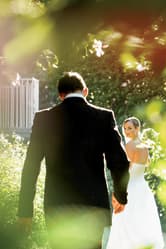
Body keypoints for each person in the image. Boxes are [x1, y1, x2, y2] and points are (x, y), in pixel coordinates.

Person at [17, 72, 130, 249]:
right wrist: (120, 195)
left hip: (57, 205)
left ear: (61, 95)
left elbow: (31, 167)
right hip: (93, 206)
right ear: (85, 91)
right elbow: (119, 161)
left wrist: (25, 210)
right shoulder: (103, 117)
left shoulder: (44, 119)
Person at [105, 116, 164, 249]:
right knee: (142, 219)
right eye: (125, 129)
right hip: (142, 187)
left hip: (130, 187)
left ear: (138, 129)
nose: (126, 131)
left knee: (126, 219)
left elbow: (124, 170)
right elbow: (147, 164)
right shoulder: (144, 146)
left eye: (130, 128)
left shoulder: (129, 146)